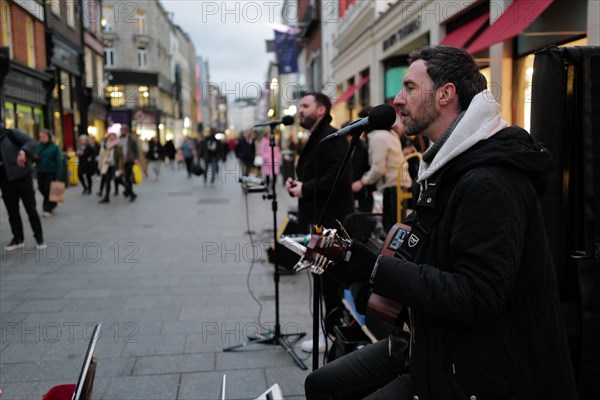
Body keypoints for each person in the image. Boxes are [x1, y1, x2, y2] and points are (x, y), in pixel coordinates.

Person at [304, 45, 578, 399]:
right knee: (320, 384)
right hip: (423, 338)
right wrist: (350, 264)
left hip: (470, 365)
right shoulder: (445, 165)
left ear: (446, 94)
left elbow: (476, 295)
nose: (397, 100)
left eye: (410, 88)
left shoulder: (488, 180)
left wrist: (374, 269)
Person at [285, 92, 354, 353]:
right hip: (319, 219)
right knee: (324, 281)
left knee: (330, 283)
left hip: (330, 223)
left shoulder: (333, 137)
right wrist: (297, 184)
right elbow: (316, 173)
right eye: (299, 105)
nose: (299, 110)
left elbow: (335, 178)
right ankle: (329, 332)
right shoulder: (319, 136)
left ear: (321, 110)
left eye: (305, 105)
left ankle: (331, 335)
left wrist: (305, 188)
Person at [351, 108, 409, 227]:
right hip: (399, 183)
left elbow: (378, 168)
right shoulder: (389, 133)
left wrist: (362, 182)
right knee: (398, 224)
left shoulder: (377, 137)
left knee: (392, 225)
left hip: (393, 185)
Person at [0, 124, 46, 250]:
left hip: (22, 177)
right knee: (12, 211)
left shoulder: (11, 133)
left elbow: (31, 142)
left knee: (31, 209)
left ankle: (39, 238)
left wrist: (23, 151)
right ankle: (18, 238)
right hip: (5, 181)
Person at [34, 130, 63, 218]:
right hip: (40, 171)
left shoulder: (54, 147)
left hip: (51, 171)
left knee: (48, 189)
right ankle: (54, 202)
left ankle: (47, 209)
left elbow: (58, 161)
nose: (42, 138)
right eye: (41, 136)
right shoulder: (38, 147)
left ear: (49, 137)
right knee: (41, 188)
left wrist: (59, 175)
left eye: (44, 136)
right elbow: (34, 158)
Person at [97, 132, 124, 204]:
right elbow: (103, 155)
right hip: (108, 166)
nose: (111, 138)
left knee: (119, 180)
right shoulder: (106, 145)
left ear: (115, 137)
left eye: (113, 137)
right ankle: (106, 197)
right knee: (107, 181)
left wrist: (120, 167)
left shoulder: (118, 145)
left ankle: (130, 192)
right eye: (110, 137)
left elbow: (121, 157)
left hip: (116, 167)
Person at [119, 125, 139, 202]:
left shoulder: (131, 140)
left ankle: (130, 193)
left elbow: (136, 150)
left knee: (128, 177)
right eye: (121, 130)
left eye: (123, 130)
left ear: (126, 131)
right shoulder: (119, 139)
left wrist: (136, 159)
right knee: (119, 178)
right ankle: (128, 192)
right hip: (121, 162)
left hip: (130, 161)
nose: (121, 132)